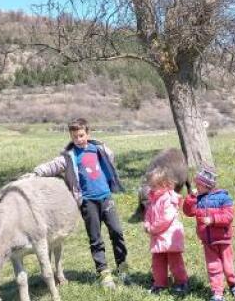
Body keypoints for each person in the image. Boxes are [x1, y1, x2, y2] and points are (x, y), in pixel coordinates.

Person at [29, 117, 128, 289]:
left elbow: (110, 158)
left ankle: (122, 266)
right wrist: (37, 172)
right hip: (88, 202)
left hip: (106, 198)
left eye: (81, 135)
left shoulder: (97, 149)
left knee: (117, 232)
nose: (78, 139)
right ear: (71, 136)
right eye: (74, 137)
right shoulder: (70, 156)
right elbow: (53, 165)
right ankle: (104, 273)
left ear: (88, 134)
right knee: (95, 238)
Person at [183, 166, 235, 301]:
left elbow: (228, 216)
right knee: (213, 266)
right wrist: (191, 197)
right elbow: (188, 212)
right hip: (208, 241)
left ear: (207, 185)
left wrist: (213, 220)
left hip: (223, 240)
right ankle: (217, 292)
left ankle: (233, 284)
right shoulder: (198, 199)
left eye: (198, 184)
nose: (196, 186)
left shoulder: (223, 198)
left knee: (228, 266)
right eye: (196, 184)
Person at [143, 168, 189, 296]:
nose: (151, 188)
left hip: (170, 237)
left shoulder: (169, 198)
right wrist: (147, 223)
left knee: (175, 261)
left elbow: (166, 218)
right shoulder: (154, 198)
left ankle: (181, 282)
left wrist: (152, 229)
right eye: (150, 185)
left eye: (154, 186)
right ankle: (160, 283)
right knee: (157, 262)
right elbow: (148, 214)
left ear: (165, 184)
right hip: (159, 237)